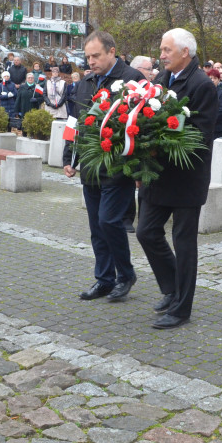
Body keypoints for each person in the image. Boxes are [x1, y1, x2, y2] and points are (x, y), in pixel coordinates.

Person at [137, 28, 217, 329]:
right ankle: (171, 287)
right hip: (157, 175)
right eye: (161, 49)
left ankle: (182, 308)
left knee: (184, 243)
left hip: (185, 179)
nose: (161, 54)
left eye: (167, 49)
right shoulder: (161, 80)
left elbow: (199, 136)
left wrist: (161, 141)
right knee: (145, 231)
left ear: (186, 52)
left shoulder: (202, 86)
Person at [63, 31, 145, 304]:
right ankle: (104, 279)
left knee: (109, 221)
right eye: (87, 56)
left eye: (96, 55)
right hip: (89, 166)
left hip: (117, 166)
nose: (91, 61)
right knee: (97, 227)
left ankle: (125, 275)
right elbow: (74, 122)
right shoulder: (86, 83)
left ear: (112, 51)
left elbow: (142, 126)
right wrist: (68, 157)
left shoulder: (132, 80)